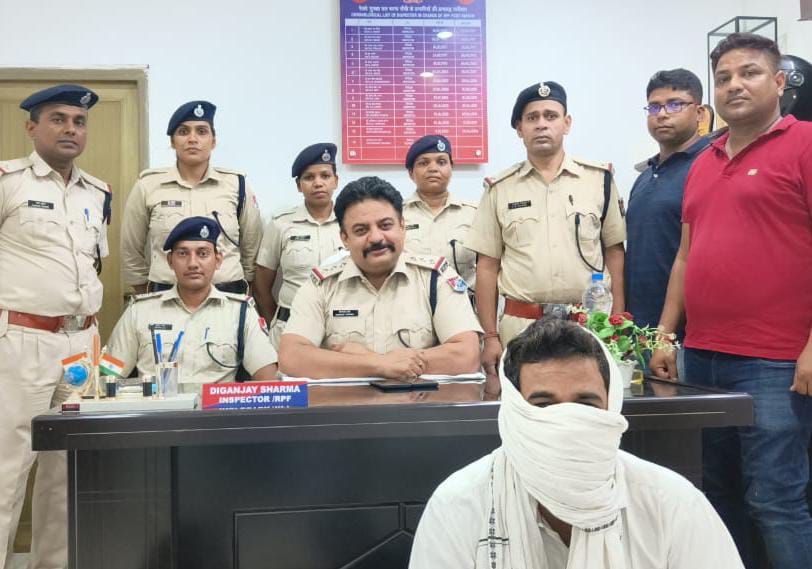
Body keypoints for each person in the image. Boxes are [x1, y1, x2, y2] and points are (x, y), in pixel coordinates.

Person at [650, 33, 812, 568]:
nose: (734, 85)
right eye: (723, 78)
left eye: (750, 73)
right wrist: (666, 335)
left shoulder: (805, 143)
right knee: (715, 496)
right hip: (702, 358)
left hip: (775, 362)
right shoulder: (704, 159)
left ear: (779, 82)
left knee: (775, 501)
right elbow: (684, 257)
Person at [409, 318, 743, 569]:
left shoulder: (671, 503)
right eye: (544, 406)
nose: (567, 423)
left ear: (611, 407)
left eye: (585, 405)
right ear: (513, 412)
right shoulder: (460, 505)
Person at [0, 84, 110, 569]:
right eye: (58, 119)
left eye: (79, 121)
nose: (71, 129)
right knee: (7, 471)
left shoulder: (99, 193)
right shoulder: (8, 182)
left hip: (82, 345)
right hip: (22, 342)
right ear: (32, 127)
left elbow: (92, 265)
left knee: (67, 474)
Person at [465, 81, 626, 395]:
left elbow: (614, 253)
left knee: (587, 407)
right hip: (521, 327)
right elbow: (487, 266)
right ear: (519, 129)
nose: (541, 124)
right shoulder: (500, 188)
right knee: (525, 407)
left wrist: (617, 323)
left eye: (551, 116)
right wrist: (490, 336)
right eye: (532, 117)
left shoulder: (599, 180)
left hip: (588, 325)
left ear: (567, 123)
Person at [278, 176, 482, 380]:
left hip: (420, 400)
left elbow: (466, 355)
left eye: (385, 225)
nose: (376, 238)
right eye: (361, 230)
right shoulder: (321, 285)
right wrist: (379, 364)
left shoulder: (435, 278)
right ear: (345, 238)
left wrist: (368, 360)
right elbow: (292, 357)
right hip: (346, 401)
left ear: (402, 227)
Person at [108, 217, 277, 389]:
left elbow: (268, 379)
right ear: (170, 261)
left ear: (218, 260)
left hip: (216, 406)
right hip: (157, 405)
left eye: (203, 253)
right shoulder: (140, 311)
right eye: (183, 253)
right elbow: (108, 375)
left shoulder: (240, 312)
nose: (193, 263)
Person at [120, 100, 263, 294]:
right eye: (183, 132)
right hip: (165, 295)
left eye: (201, 131)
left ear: (213, 141)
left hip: (228, 295)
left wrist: (244, 287)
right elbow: (130, 249)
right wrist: (146, 295)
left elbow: (252, 247)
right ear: (172, 142)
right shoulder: (148, 186)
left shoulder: (237, 185)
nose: (192, 139)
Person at [625, 69, 708, 341]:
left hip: (686, 335)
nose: (662, 114)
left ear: (700, 113)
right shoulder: (645, 176)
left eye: (675, 105)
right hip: (639, 329)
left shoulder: (709, 166)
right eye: (654, 107)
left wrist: (667, 332)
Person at [254, 143, 344, 348]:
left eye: (325, 176)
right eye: (309, 177)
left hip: (340, 330)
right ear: (298, 185)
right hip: (289, 327)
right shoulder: (281, 224)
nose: (318, 183)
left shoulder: (352, 223)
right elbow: (261, 286)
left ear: (336, 181)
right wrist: (275, 322)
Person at [402, 135, 478, 288]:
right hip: (413, 300)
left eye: (441, 162)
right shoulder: (396, 216)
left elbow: (488, 267)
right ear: (411, 173)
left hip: (464, 300)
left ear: (451, 168)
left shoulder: (474, 214)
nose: (433, 168)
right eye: (423, 163)